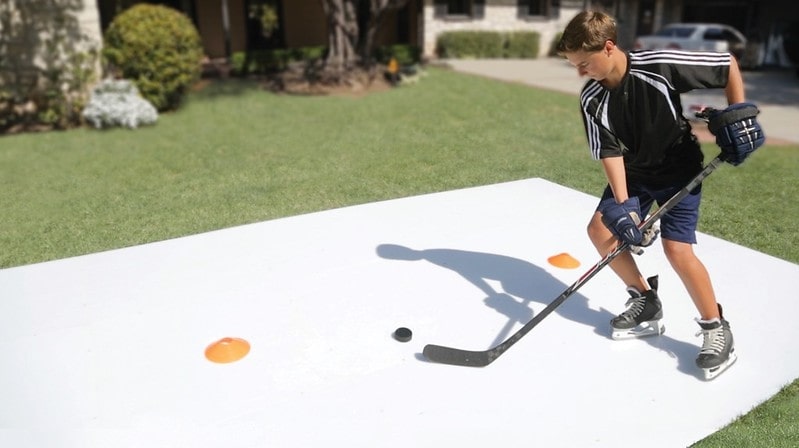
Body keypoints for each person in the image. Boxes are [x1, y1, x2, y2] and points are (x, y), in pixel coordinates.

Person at [555, 11, 764, 380]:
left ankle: (717, 329)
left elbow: (726, 64)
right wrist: (624, 207)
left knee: (677, 250)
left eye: (584, 63)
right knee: (601, 231)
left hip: (678, 169)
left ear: (608, 47)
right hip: (634, 173)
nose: (580, 72)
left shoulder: (659, 65)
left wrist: (737, 115)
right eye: (574, 65)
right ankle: (645, 300)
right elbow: (610, 151)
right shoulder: (591, 98)